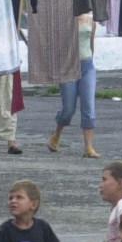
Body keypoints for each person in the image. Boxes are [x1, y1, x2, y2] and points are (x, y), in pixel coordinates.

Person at [49, 13, 102, 159]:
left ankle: (88, 147)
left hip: (87, 64)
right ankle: (56, 135)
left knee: (88, 106)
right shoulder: (64, 18)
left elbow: (91, 43)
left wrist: (90, 60)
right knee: (68, 109)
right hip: (68, 65)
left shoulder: (91, 20)